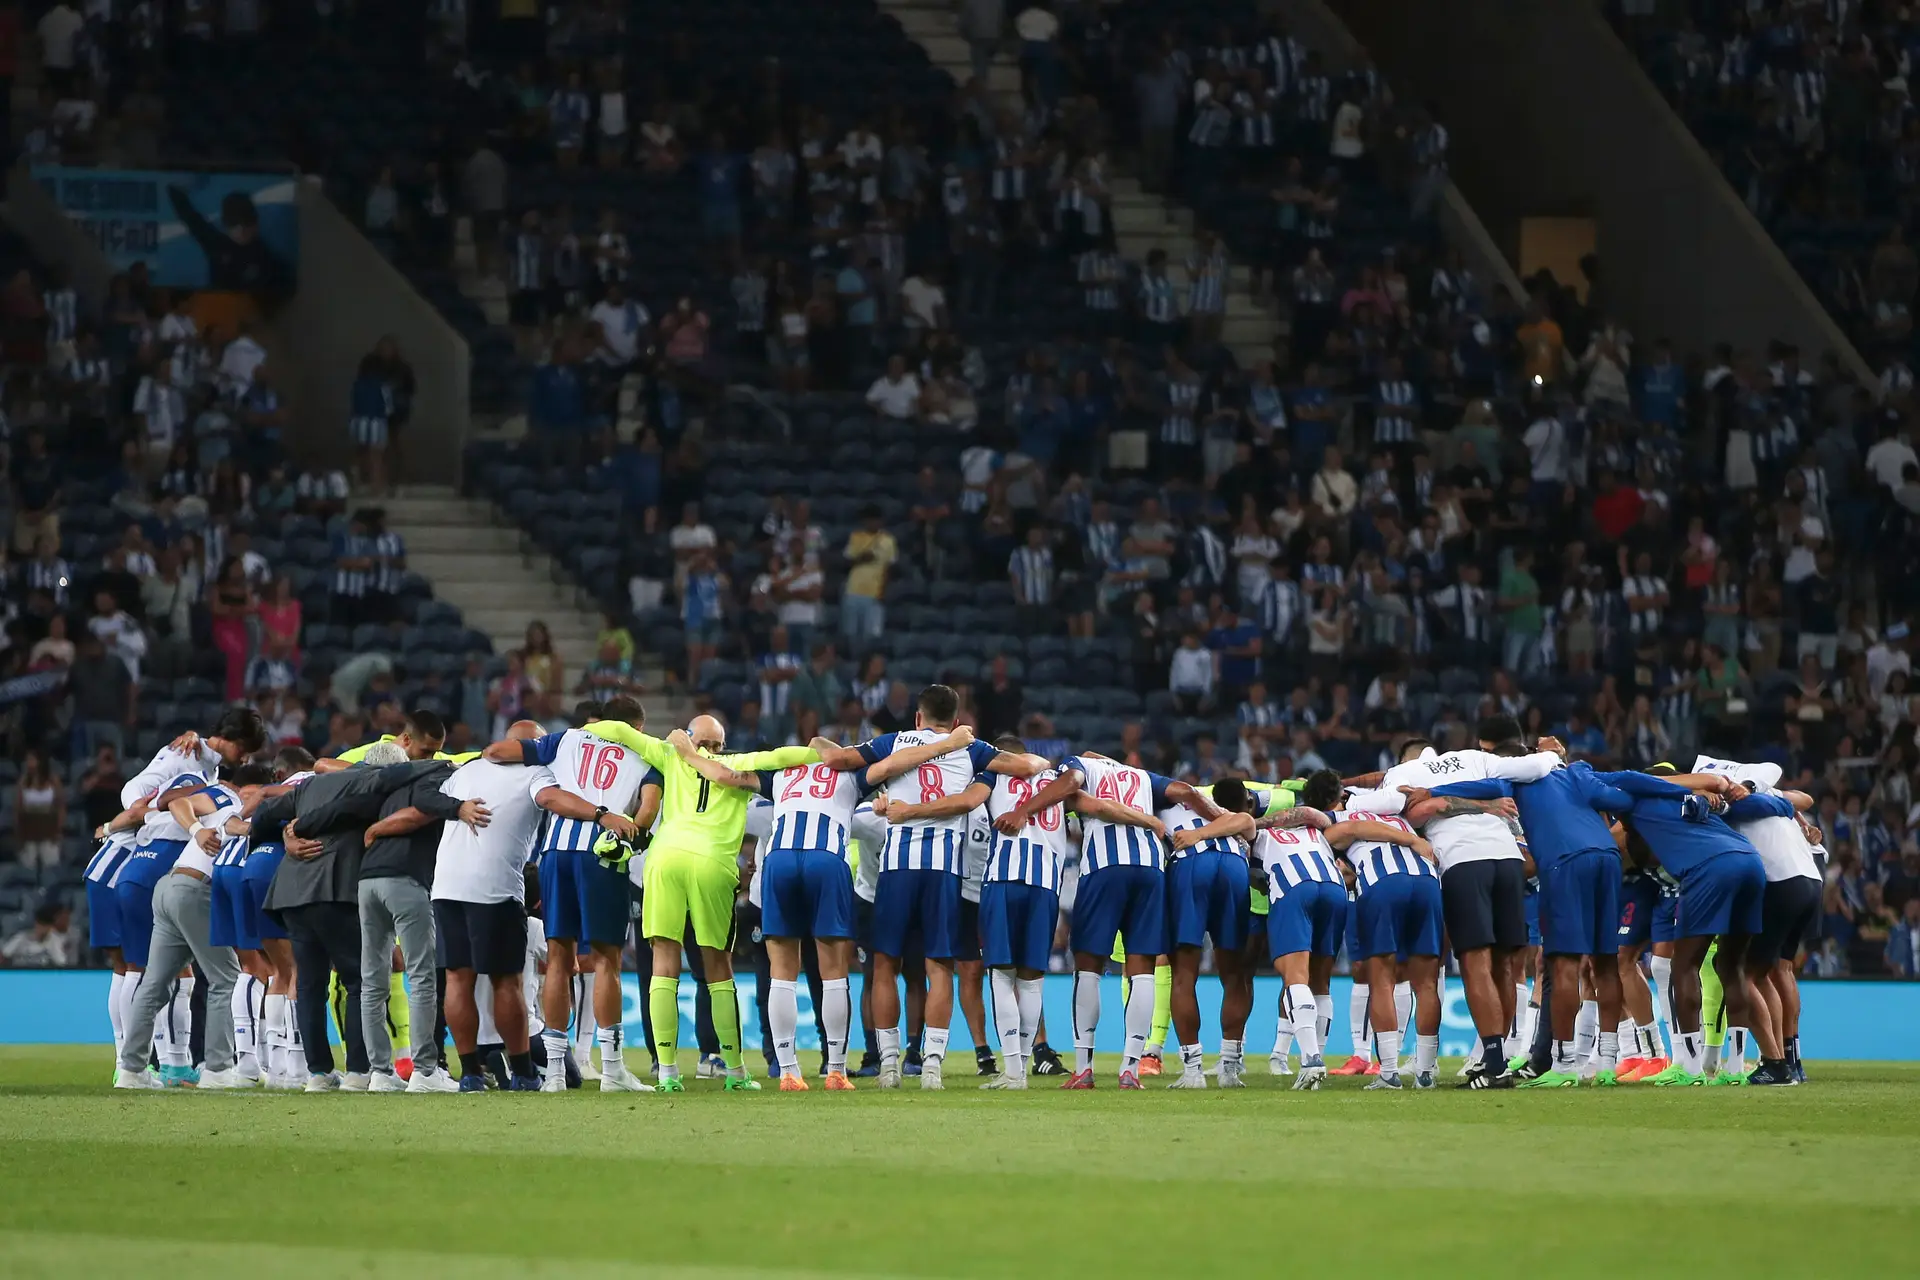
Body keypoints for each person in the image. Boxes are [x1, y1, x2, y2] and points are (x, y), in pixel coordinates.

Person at [519, 714, 822, 1090]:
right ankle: (734, 1071)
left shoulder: (670, 754)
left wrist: (583, 732)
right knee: (717, 967)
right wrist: (829, 752)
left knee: (662, 964)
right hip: (712, 863)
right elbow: (791, 755)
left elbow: (621, 730)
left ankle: (666, 1072)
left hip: (663, 862)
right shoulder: (741, 762)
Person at [673, 719, 977, 1088]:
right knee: (833, 972)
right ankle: (835, 1070)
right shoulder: (851, 774)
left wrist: (688, 753)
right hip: (826, 858)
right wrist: (944, 746)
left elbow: (725, 775)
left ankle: (788, 1071)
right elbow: (894, 764)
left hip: (780, 860)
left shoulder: (781, 772)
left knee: (782, 971)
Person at [809, 685, 1040, 1089]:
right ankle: (931, 1065)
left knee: (885, 965)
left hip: (897, 867)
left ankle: (889, 1065)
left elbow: (835, 758)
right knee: (939, 967)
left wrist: (815, 741)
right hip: (944, 871)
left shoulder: (893, 742)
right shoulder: (971, 749)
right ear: (955, 720)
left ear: (917, 718)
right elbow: (1027, 766)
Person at [1412, 727, 1638, 1086]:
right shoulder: (1578, 774)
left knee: (1562, 965)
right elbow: (1622, 796)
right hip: (1607, 858)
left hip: (1564, 862)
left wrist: (1432, 791)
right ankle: (1607, 1062)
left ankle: (1564, 1064)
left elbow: (1478, 787)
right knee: (1605, 963)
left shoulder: (1517, 782)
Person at [1341, 733, 1562, 1089]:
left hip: (1462, 860)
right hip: (1508, 858)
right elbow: (1535, 767)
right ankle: (1497, 1057)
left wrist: (1349, 794)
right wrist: (1552, 755)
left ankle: (1494, 1065)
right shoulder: (1475, 758)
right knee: (1507, 965)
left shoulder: (1403, 774)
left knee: (1476, 963)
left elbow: (1397, 808)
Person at [994, 751, 1215, 1089]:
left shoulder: (1080, 765)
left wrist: (1024, 810)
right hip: (1150, 868)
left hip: (1104, 867)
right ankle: (1130, 1069)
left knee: (1088, 966)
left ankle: (1084, 1069)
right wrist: (1221, 818)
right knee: (1142, 969)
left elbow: (1074, 784)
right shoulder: (1142, 776)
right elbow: (1186, 791)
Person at [512, 696, 659, 1093]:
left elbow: (509, 752)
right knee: (606, 961)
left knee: (558, 959)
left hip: (555, 853)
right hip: (601, 855)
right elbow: (646, 812)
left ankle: (555, 1074)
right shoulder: (646, 756)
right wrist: (633, 835)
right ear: (636, 729)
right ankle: (612, 1071)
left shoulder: (567, 740)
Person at [353, 711, 489, 1092]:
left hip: (367, 879)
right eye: (426, 751)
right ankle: (426, 1071)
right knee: (422, 976)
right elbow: (427, 803)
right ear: (406, 741)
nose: (429, 758)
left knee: (372, 980)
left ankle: (380, 1073)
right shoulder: (434, 775)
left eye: (435, 753)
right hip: (405, 879)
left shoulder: (383, 782)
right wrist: (458, 808)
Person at [435, 722, 558, 1092]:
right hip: (494, 886)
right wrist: (599, 814)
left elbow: (434, 803)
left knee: (457, 978)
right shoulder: (537, 773)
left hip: (447, 884)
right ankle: (523, 1072)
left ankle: (471, 1073)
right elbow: (550, 800)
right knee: (506, 981)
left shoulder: (467, 771)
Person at [114, 770, 255, 1089]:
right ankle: (218, 1070)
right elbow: (179, 802)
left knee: (154, 984)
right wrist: (197, 830)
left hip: (169, 887)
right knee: (226, 978)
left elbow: (180, 804)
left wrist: (197, 829)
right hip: (193, 890)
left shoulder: (227, 809)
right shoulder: (230, 800)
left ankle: (131, 1071)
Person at [1325, 779, 1452, 1091]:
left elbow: (1346, 835)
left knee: (1381, 979)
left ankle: (1389, 1073)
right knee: (1426, 982)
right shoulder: (1401, 818)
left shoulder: (1340, 820)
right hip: (1427, 882)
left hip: (1384, 884)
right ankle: (1425, 1072)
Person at [1160, 776, 1260, 1088]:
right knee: (1234, 974)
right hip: (1233, 864)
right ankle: (1229, 1068)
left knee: (1183, 974)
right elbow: (1248, 822)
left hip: (1190, 863)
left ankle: (1193, 1071)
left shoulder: (1166, 802)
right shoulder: (1230, 815)